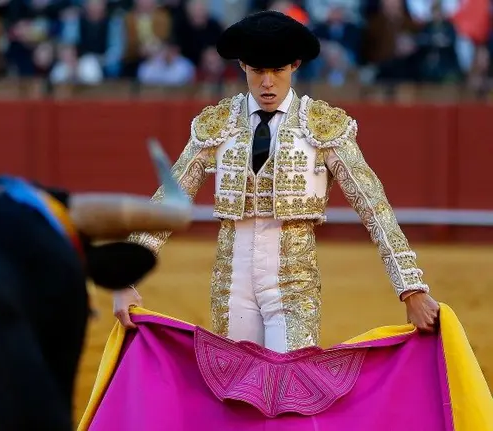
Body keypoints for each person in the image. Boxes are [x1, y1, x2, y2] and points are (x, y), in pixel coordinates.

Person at [112, 10, 440, 354]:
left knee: (289, 394)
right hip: (231, 283)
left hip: (293, 284)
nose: (267, 83)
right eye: (257, 71)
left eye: (278, 70)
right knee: (235, 396)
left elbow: (373, 205)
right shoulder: (218, 123)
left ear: (295, 65)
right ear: (242, 66)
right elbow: (170, 199)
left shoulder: (323, 124)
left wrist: (411, 288)